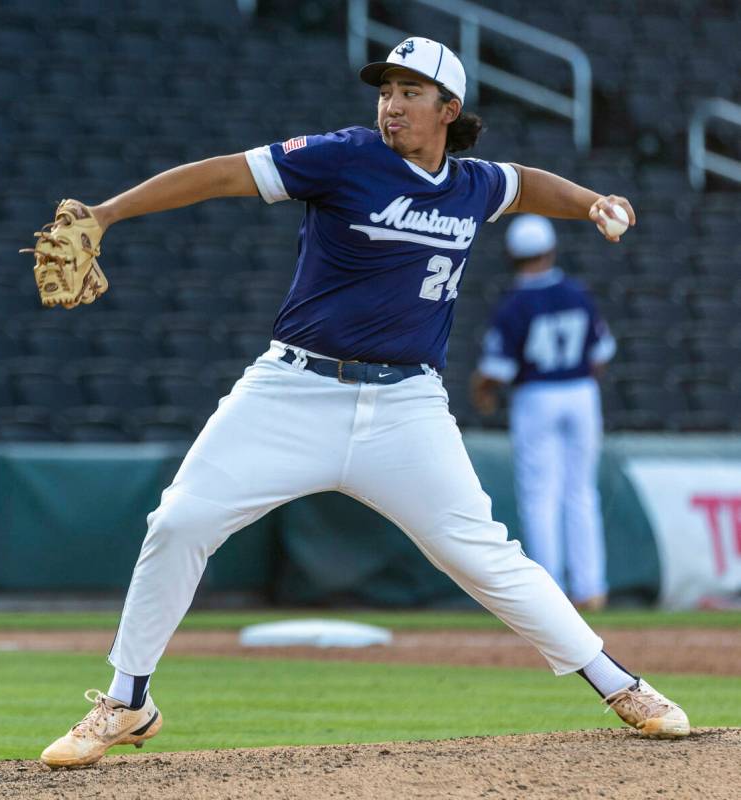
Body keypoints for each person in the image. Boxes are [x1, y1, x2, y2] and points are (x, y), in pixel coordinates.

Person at [39, 37, 689, 768]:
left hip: (406, 407)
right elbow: (222, 174)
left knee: (484, 555)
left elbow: (525, 182)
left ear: (449, 109)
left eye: (412, 92)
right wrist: (108, 212)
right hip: (291, 390)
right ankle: (127, 701)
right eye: (386, 89)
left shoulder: (471, 184)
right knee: (180, 521)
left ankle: (618, 685)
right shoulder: (343, 156)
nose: (392, 103)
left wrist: (591, 201)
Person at [471, 215, 615, 611]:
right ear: (550, 250)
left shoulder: (514, 304)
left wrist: (480, 389)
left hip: (537, 395)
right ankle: (592, 589)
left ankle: (550, 592)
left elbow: (496, 371)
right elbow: (600, 356)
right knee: (581, 492)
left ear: (512, 256)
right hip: (582, 392)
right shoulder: (578, 293)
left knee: (540, 495)